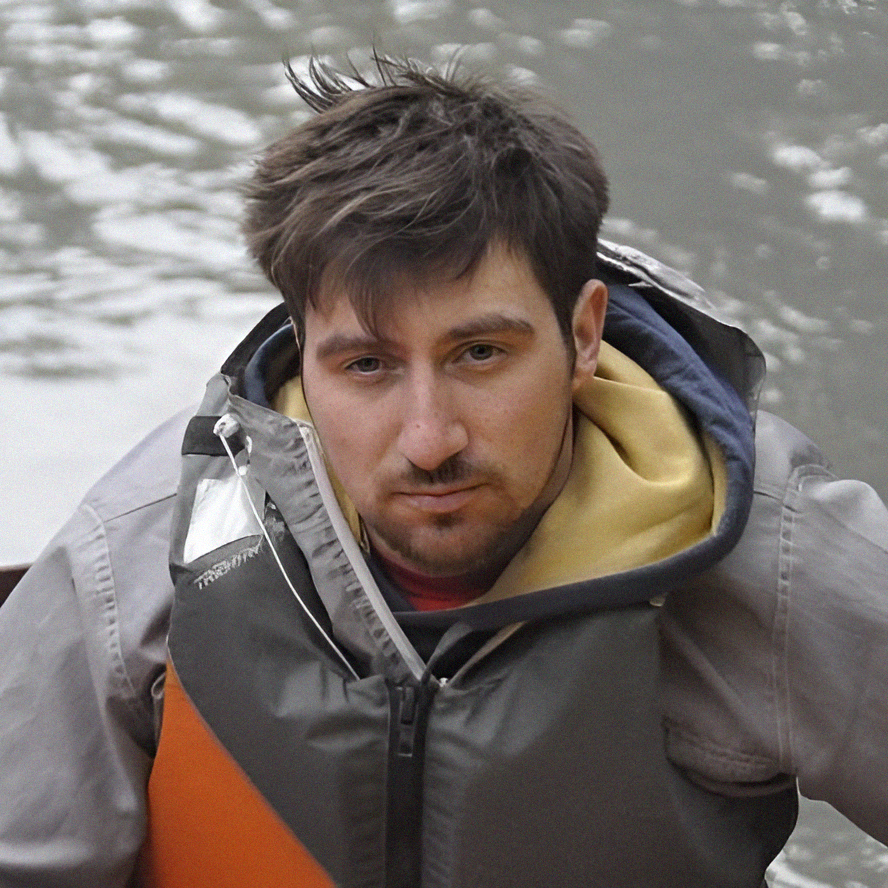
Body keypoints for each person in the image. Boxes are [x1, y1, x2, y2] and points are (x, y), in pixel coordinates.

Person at [0, 54, 886, 888]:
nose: (429, 440)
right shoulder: (143, 547)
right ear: (303, 356)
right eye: (367, 366)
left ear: (583, 335)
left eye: (481, 353)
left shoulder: (772, 555)